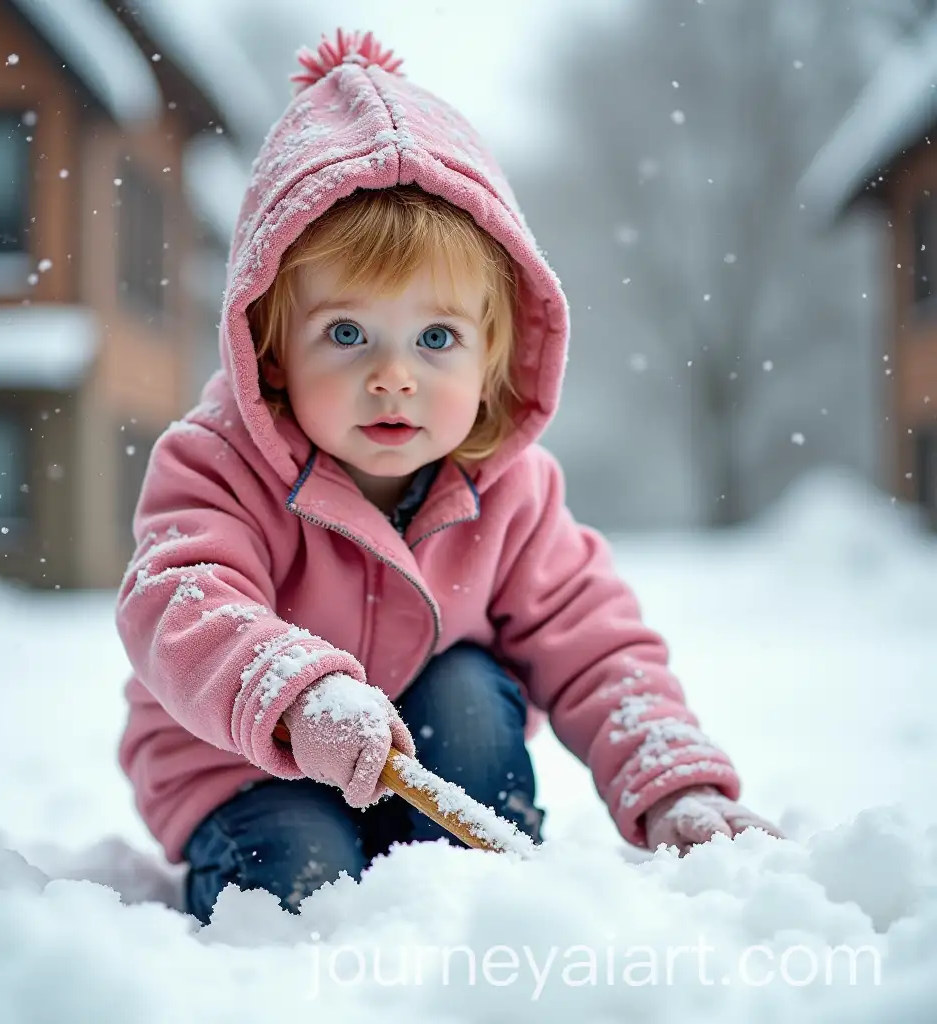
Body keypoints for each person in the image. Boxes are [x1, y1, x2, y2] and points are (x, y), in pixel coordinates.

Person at [115, 28, 782, 922]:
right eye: (348, 334)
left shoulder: (511, 493)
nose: (395, 376)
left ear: (492, 357)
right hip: (242, 767)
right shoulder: (214, 465)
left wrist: (671, 784)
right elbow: (179, 599)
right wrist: (298, 693)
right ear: (270, 349)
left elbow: (595, 646)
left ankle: (476, 898)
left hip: (427, 765)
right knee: (308, 880)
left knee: (469, 686)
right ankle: (305, 911)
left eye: (436, 339)